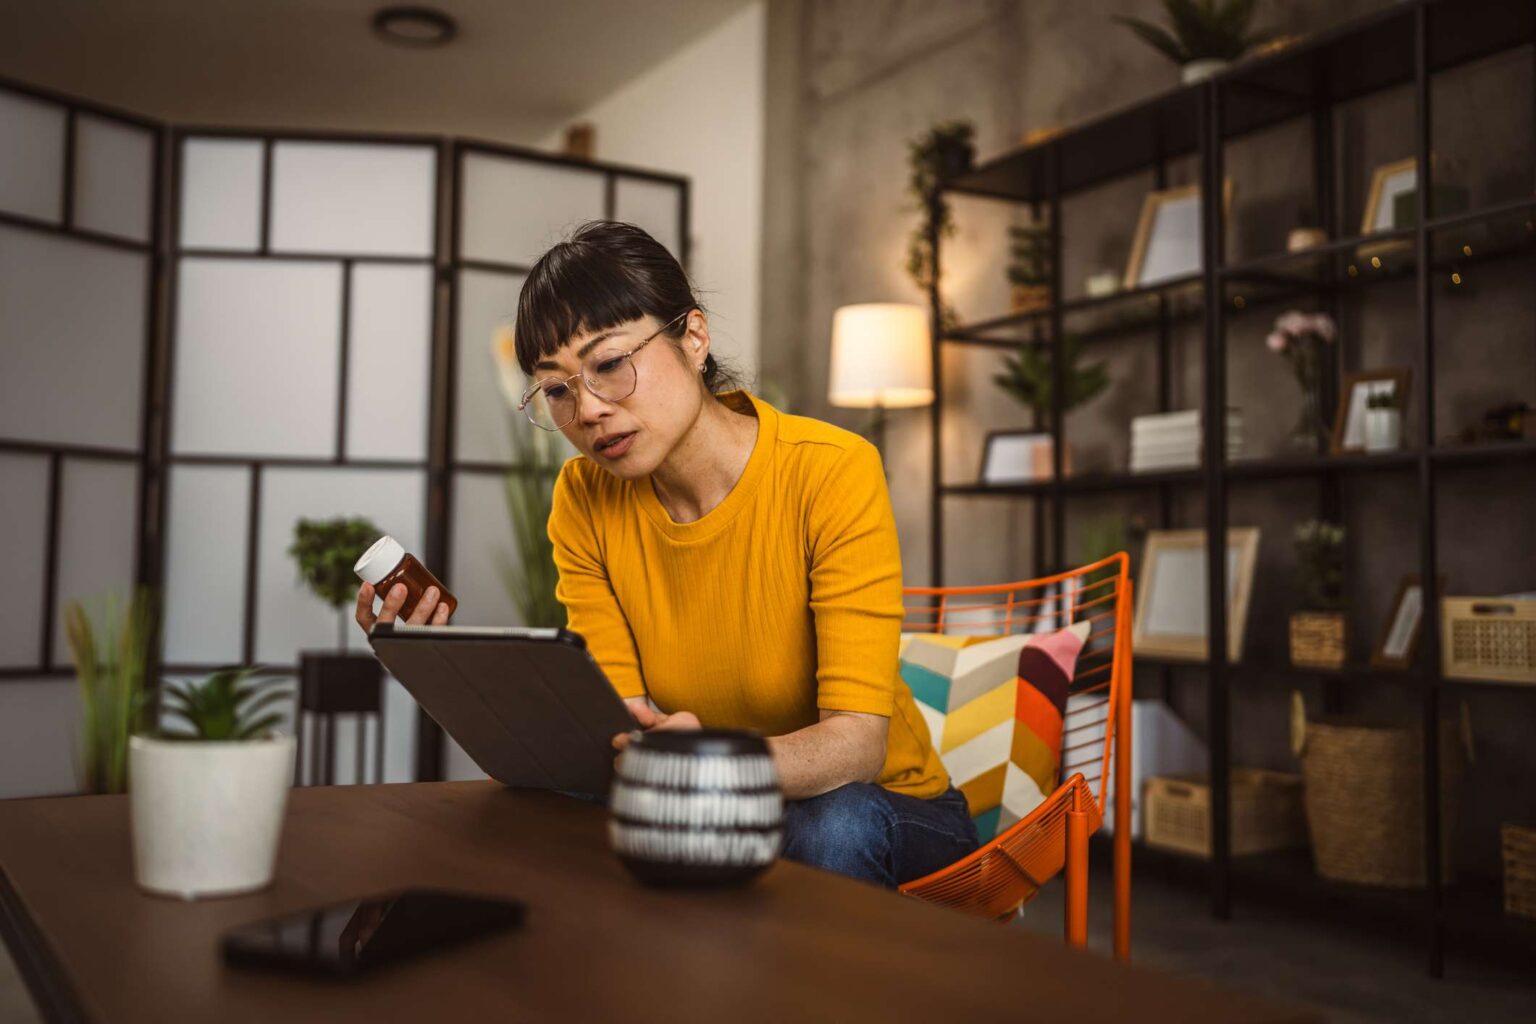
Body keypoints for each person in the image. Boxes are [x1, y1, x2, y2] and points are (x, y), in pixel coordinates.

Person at [356, 221, 977, 887]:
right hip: (707, 799)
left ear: (694, 337)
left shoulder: (831, 471)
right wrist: (438, 664)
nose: (587, 410)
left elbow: (857, 743)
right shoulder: (584, 497)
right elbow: (614, 726)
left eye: (609, 365)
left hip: (891, 807)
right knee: (523, 807)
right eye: (558, 389)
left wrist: (708, 761)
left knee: (835, 823)